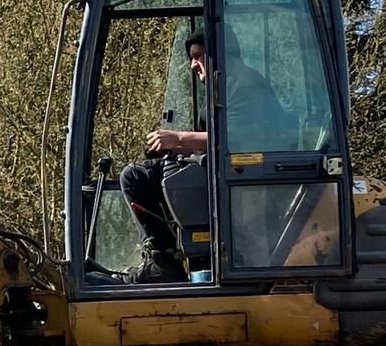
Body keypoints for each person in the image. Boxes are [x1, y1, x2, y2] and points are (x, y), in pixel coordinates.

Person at [119, 28, 287, 283]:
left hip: (245, 177)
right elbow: (213, 141)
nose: (192, 64)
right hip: (225, 168)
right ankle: (164, 258)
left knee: (136, 177)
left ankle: (165, 263)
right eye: (191, 58)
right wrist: (176, 148)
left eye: (198, 56)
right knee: (139, 175)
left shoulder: (245, 86)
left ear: (221, 52)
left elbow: (236, 140)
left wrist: (179, 138)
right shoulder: (223, 88)